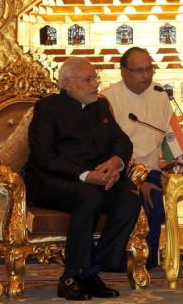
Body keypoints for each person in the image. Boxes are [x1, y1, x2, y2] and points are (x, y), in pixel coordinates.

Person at [24, 57, 141, 301]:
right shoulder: (47, 108)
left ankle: (90, 271)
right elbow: (44, 156)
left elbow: (122, 140)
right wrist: (87, 176)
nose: (95, 84)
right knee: (88, 197)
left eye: (95, 78)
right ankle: (69, 276)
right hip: (53, 181)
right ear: (67, 83)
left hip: (97, 181)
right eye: (87, 79)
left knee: (128, 202)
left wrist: (115, 163)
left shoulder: (99, 106)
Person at [101, 46, 173, 269]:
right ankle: (122, 261)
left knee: (157, 199)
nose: (146, 76)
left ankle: (147, 262)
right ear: (123, 72)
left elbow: (170, 139)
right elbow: (106, 147)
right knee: (139, 199)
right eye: (139, 70)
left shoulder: (160, 95)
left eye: (149, 69)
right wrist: (136, 179)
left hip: (152, 170)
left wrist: (168, 170)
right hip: (120, 172)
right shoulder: (108, 99)